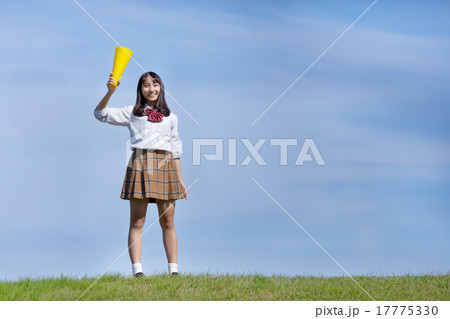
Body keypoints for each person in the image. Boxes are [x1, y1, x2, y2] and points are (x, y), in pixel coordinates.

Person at [93, 71, 187, 278]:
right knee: (137, 221)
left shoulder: (172, 118)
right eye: (146, 85)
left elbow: (176, 148)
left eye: (155, 84)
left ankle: (174, 271)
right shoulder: (132, 113)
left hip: (166, 165)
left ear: (161, 88)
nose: (151, 89)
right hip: (140, 164)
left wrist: (180, 180)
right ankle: (138, 271)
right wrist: (110, 92)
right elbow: (100, 114)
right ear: (140, 90)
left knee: (168, 221)